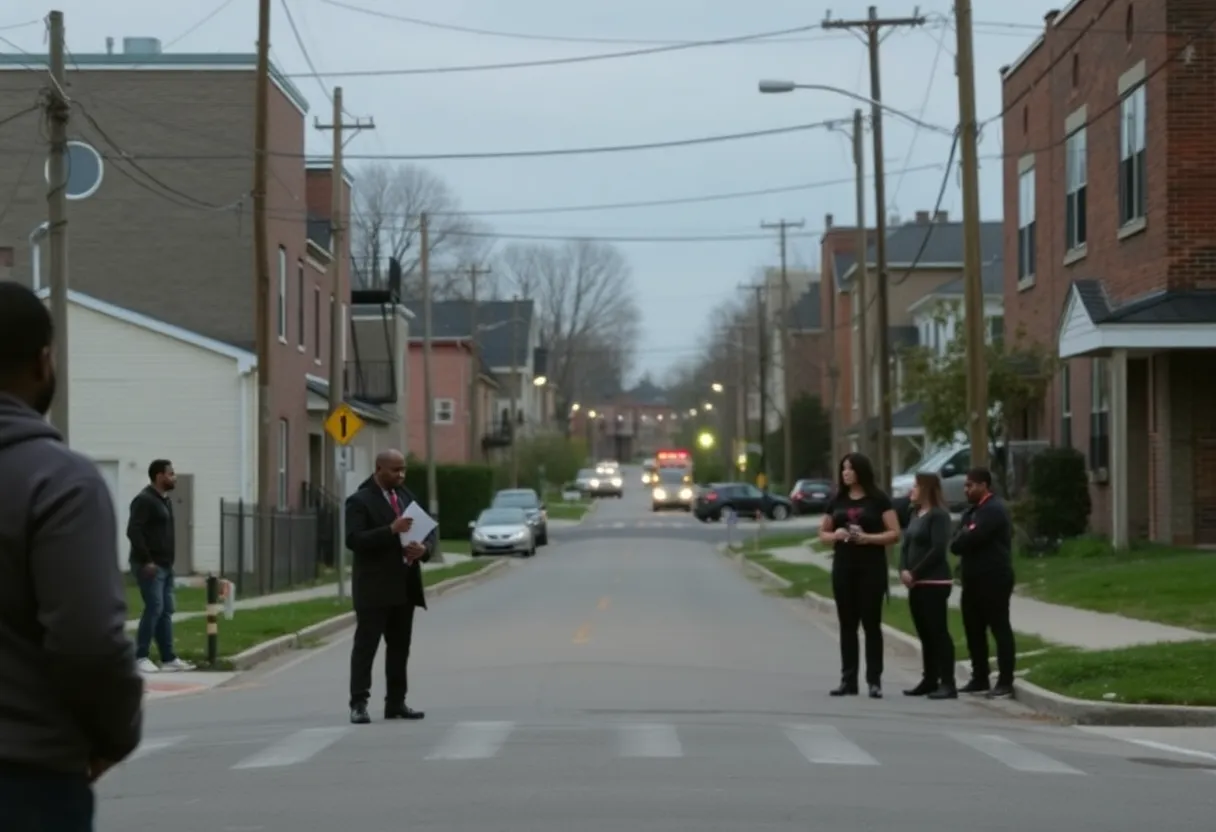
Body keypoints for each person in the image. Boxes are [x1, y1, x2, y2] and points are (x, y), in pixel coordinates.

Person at [0, 281, 144, 831]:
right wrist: (113, 736)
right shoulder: (58, 482)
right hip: (25, 780)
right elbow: (88, 641)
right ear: (43, 362)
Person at [346, 449, 435, 724]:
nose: (401, 475)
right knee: (366, 648)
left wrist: (424, 549)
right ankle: (359, 704)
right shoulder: (360, 500)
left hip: (404, 586)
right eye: (395, 470)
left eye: (403, 469)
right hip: (374, 588)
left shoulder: (406, 496)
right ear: (379, 469)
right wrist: (390, 530)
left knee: (399, 648)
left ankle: (396, 703)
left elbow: (429, 531)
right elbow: (354, 540)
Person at [818, 452, 901, 698]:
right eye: (844, 468)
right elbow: (822, 533)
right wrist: (836, 535)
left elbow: (894, 533)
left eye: (851, 468)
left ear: (861, 471)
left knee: (871, 624)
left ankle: (874, 680)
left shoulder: (878, 499)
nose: (846, 473)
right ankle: (848, 679)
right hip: (844, 566)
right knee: (847, 624)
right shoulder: (837, 500)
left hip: (871, 567)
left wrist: (868, 538)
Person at [950, 467, 1016, 699]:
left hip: (994, 577)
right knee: (973, 629)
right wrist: (965, 535)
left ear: (983, 485)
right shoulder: (971, 512)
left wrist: (966, 535)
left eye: (970, 485)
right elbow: (956, 543)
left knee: (999, 627)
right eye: (965, 485)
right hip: (972, 579)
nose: (966, 489)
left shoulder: (993, 510)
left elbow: (974, 537)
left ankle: (1005, 680)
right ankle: (980, 677)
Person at [128, 458, 196, 673]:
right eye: (171, 474)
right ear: (159, 476)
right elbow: (134, 531)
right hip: (149, 566)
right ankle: (140, 656)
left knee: (166, 610)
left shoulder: (164, 500)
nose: (174, 478)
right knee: (154, 607)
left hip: (165, 566)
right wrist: (147, 560)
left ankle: (168, 658)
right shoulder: (144, 500)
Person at [898, 472, 957, 700]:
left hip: (934, 581)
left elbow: (938, 549)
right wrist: (903, 569)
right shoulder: (914, 514)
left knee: (937, 631)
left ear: (926, 489)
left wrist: (915, 572)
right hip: (916, 584)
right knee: (924, 632)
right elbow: (905, 545)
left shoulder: (939, 516)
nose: (911, 490)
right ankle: (930, 678)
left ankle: (948, 682)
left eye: (915, 486)